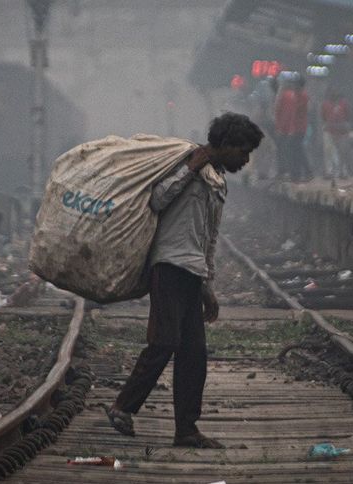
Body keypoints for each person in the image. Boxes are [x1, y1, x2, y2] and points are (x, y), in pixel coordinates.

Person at [107, 113, 264, 449]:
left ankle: (186, 430)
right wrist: (190, 167)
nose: (246, 159)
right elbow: (157, 199)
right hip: (168, 266)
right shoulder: (187, 165)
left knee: (194, 353)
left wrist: (208, 284)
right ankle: (122, 407)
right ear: (224, 144)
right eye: (243, 150)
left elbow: (209, 235)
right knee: (164, 341)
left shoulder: (217, 180)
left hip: (192, 272)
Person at [274, 74, 311, 181]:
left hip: (299, 127)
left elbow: (295, 111)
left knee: (295, 150)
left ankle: (300, 173)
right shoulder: (295, 95)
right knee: (296, 150)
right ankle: (298, 173)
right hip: (294, 127)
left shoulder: (302, 96)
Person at [320, 85, 350, 179]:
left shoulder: (344, 103)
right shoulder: (325, 104)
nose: (333, 94)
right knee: (328, 151)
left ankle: (343, 171)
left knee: (343, 152)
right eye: (331, 92)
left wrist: (344, 125)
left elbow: (348, 116)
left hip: (342, 131)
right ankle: (329, 171)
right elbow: (323, 118)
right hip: (329, 130)